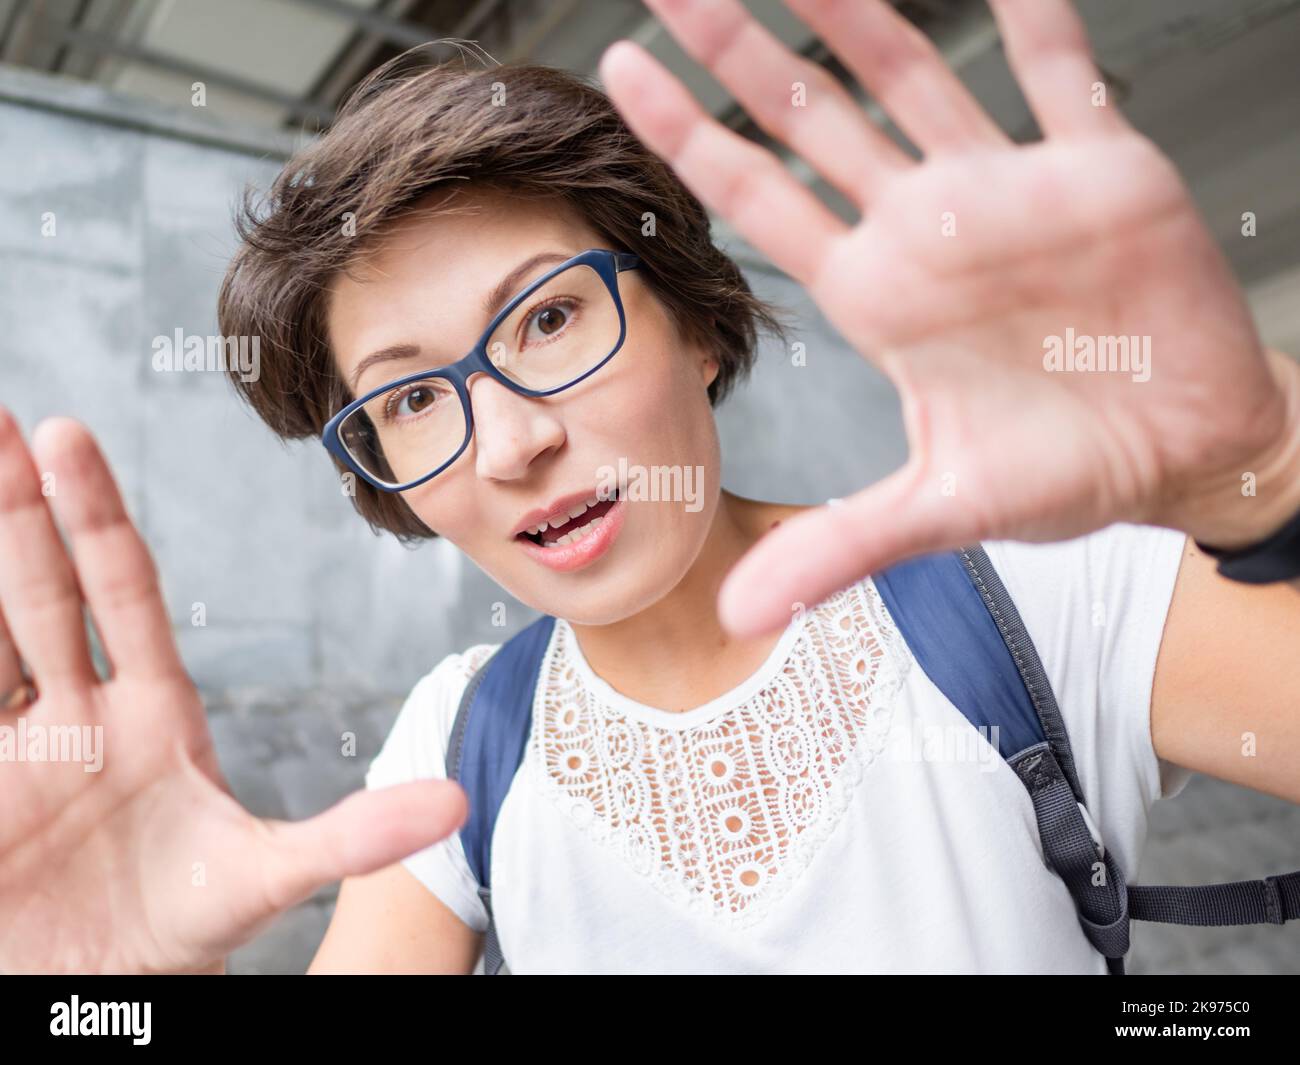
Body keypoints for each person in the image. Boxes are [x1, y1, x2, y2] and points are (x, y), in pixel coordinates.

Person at [1, 0, 1297, 975]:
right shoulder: (457, 747)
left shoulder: (1030, 585)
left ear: (700, 325)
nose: (509, 442)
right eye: (408, 399)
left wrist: (1268, 470)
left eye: (550, 318)